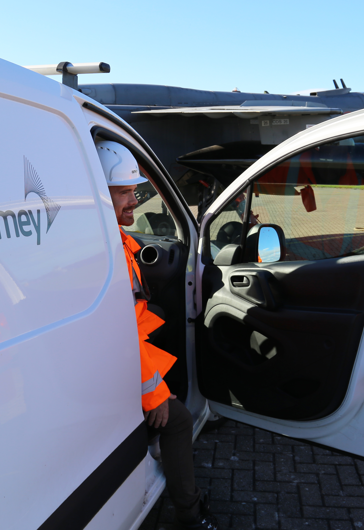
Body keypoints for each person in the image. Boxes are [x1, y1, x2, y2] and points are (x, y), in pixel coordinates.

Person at [96, 141, 218, 530]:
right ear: (99, 195)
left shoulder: (109, 239)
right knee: (178, 420)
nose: (134, 200)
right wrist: (155, 394)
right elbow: (124, 331)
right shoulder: (111, 249)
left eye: (134, 190)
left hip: (104, 359)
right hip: (116, 366)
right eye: (122, 193)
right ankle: (190, 514)